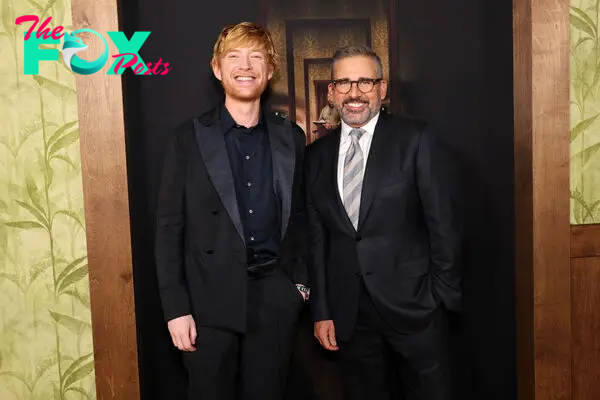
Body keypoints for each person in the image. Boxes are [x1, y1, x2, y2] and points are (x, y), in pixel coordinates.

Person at [155, 22, 309, 400]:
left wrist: (299, 287)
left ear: (270, 72)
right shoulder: (188, 138)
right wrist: (176, 310)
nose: (246, 66)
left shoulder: (292, 136)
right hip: (207, 302)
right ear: (217, 68)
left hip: (274, 296)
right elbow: (169, 228)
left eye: (257, 57)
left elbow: (304, 217)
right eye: (235, 57)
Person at [305, 45, 463, 400]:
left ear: (382, 88)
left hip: (417, 309)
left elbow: (445, 227)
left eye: (365, 81)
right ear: (331, 92)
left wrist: (439, 300)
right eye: (343, 82)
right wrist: (323, 310)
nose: (354, 92)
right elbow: (317, 240)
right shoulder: (315, 157)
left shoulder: (417, 140)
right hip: (350, 316)